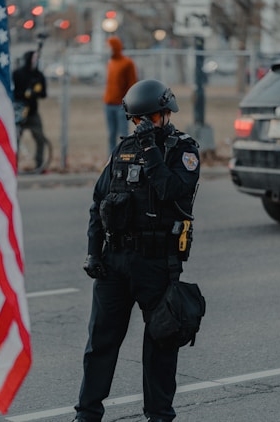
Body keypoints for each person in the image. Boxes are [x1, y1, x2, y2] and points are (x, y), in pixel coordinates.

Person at [73, 79, 200, 422]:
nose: (141, 127)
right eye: (136, 121)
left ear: (164, 115)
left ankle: (159, 415)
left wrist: (152, 151)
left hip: (157, 262)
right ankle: (87, 413)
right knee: (100, 342)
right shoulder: (125, 148)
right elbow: (99, 202)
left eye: (148, 120)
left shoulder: (183, 151)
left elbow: (172, 191)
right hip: (115, 261)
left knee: (161, 341)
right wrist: (92, 252)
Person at [13, 50, 47, 169]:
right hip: (19, 112)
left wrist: (35, 92)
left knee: (40, 138)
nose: (35, 62)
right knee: (15, 139)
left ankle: (39, 164)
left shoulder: (38, 76)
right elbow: (13, 92)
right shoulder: (17, 74)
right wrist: (24, 94)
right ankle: (13, 165)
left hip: (32, 112)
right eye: (33, 59)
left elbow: (43, 94)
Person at [103, 36, 138, 154]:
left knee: (123, 134)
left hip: (121, 105)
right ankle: (111, 159)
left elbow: (132, 83)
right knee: (111, 134)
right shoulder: (110, 62)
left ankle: (125, 157)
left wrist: (128, 102)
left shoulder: (127, 63)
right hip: (109, 103)